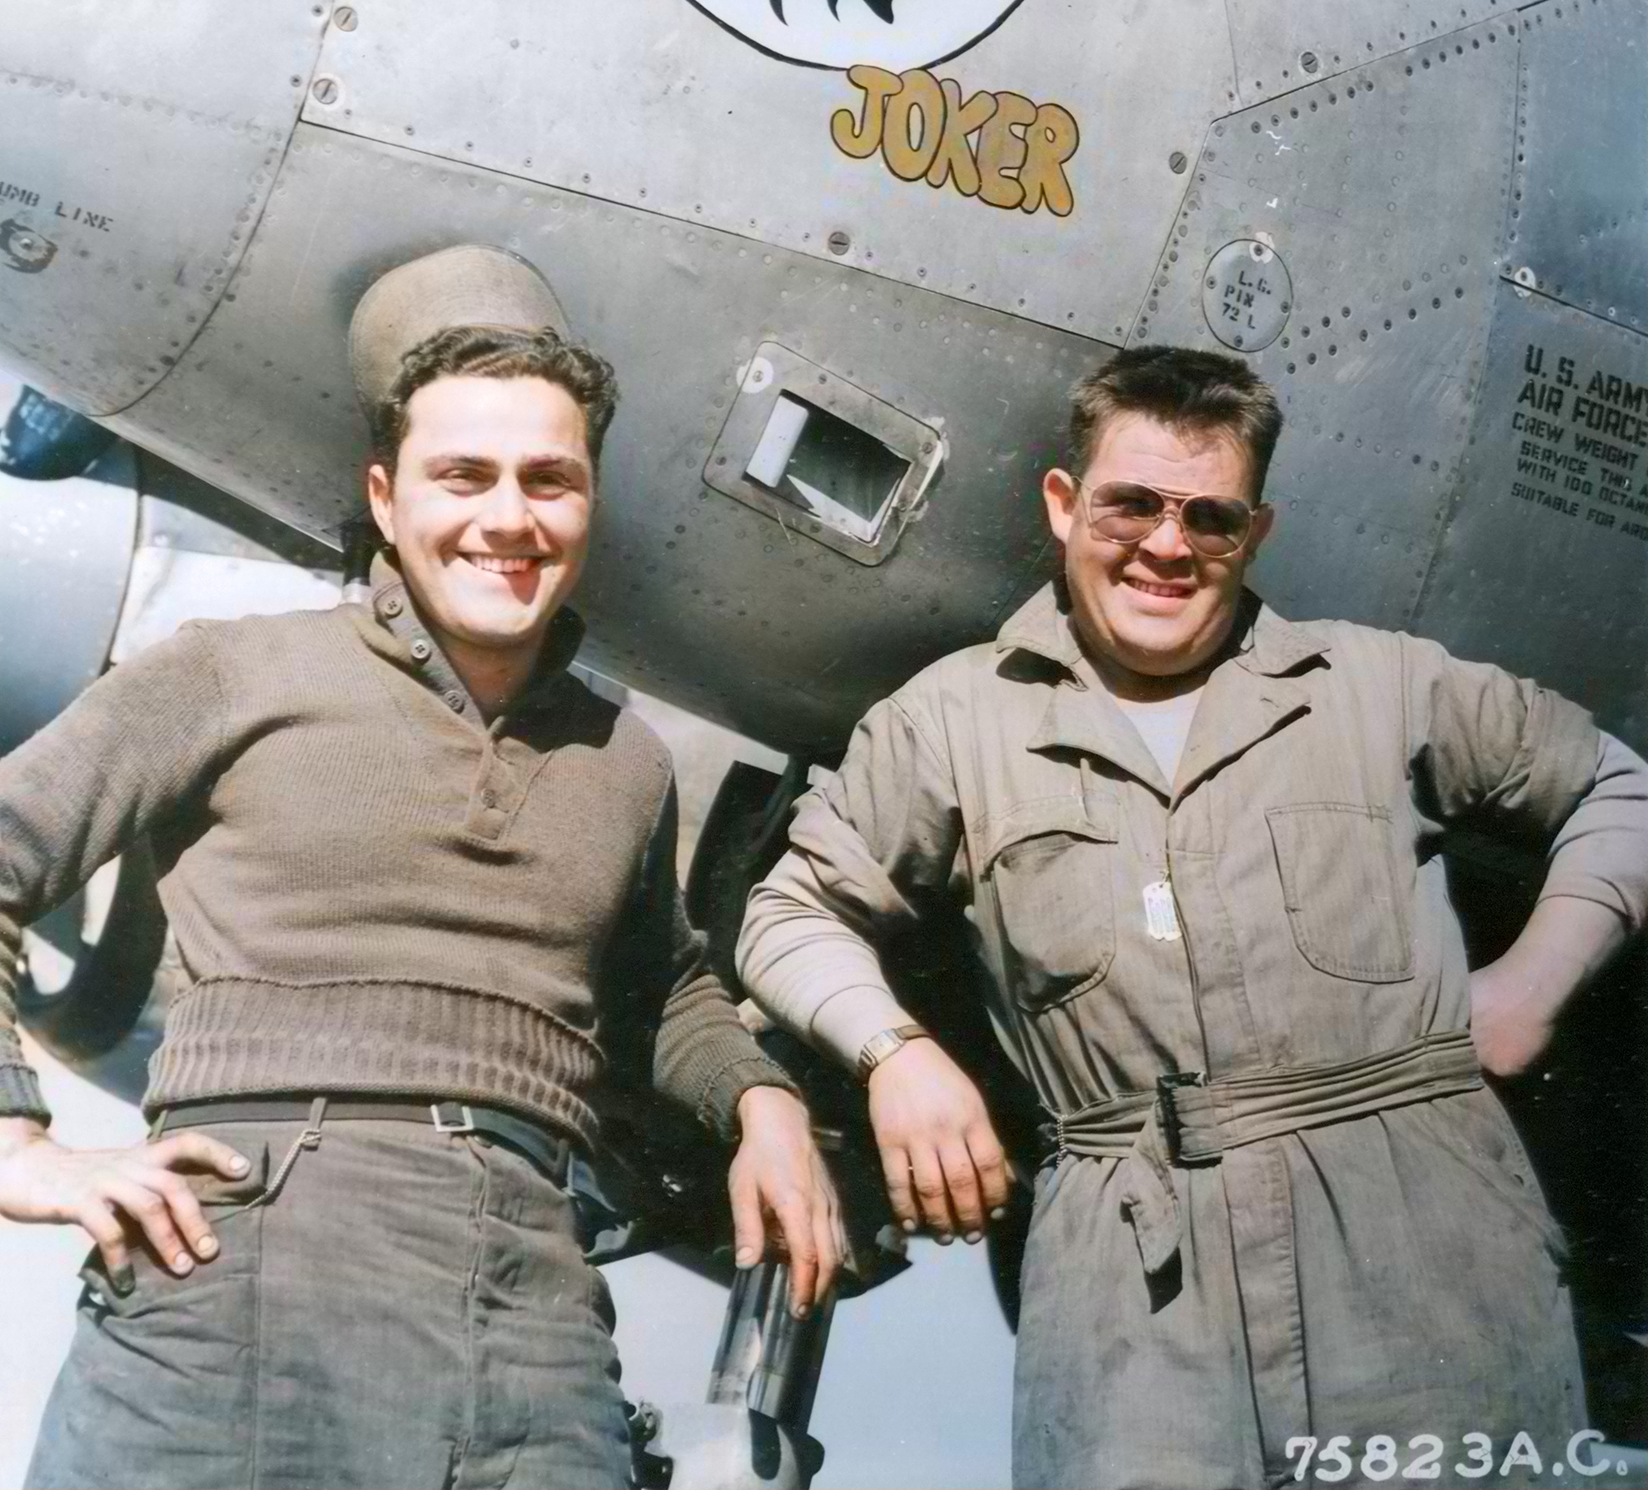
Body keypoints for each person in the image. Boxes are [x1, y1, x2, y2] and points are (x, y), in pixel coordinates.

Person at [0, 245, 839, 1490]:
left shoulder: (625, 757)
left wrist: (761, 1101)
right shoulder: (228, 671)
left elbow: (658, 987)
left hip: (533, 1305)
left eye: (548, 480)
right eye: (465, 475)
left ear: (589, 504)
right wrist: (21, 1144)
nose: (508, 517)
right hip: (240, 1273)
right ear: (387, 499)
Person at [738, 343, 1648, 1490]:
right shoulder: (949, 723)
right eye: (1130, 504)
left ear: (1252, 532)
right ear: (1063, 505)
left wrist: (1529, 986)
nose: (1167, 545)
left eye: (1208, 517)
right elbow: (791, 909)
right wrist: (894, 1053)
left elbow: (1618, 785)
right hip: (1129, 1295)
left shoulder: (1379, 685)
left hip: (1427, 1260)